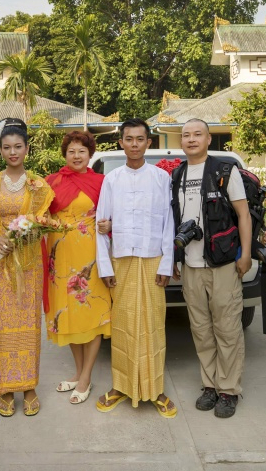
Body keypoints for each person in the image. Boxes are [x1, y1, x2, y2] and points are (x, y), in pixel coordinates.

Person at [94, 118, 177, 418]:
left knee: (154, 324)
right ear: (121, 143)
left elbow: (168, 224)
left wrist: (167, 262)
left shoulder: (160, 179)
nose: (134, 144)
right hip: (122, 260)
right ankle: (121, 385)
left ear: (148, 143)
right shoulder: (112, 180)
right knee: (123, 325)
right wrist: (105, 265)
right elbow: (100, 225)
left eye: (139, 139)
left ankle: (156, 389)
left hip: (153, 259)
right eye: (128, 139)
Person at [169, 119, 252, 419]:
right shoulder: (177, 174)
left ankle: (229, 390)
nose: (191, 139)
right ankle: (210, 385)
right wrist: (176, 259)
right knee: (201, 330)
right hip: (190, 266)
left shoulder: (224, 171)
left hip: (223, 263)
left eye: (197, 134)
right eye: (186, 135)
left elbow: (243, 214)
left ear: (208, 139)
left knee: (227, 328)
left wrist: (245, 255)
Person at [0, 118, 54, 417]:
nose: (13, 152)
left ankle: (30, 386)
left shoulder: (38, 184)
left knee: (29, 324)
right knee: (2, 326)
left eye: (18, 147)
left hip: (29, 261)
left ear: (26, 149)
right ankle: (6, 388)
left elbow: (43, 221)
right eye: (7, 147)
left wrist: (28, 231)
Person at [44, 130, 110, 405]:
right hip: (60, 258)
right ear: (65, 154)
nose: (77, 155)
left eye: (82, 151)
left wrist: (109, 225)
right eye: (72, 150)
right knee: (67, 314)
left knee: (92, 314)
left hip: (90, 258)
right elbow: (42, 213)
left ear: (90, 154)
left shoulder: (101, 182)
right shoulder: (50, 182)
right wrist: (47, 222)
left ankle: (85, 377)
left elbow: (111, 214)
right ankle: (79, 372)